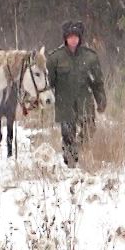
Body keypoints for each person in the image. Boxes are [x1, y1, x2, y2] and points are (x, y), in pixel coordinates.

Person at [46, 21, 107, 167]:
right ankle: (70, 163)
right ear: (65, 38)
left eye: (76, 37)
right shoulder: (55, 58)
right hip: (65, 104)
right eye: (70, 37)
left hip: (84, 101)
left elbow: (97, 82)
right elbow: (48, 83)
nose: (73, 40)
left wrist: (101, 100)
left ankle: (78, 149)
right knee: (68, 135)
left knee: (89, 129)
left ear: (80, 38)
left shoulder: (90, 57)